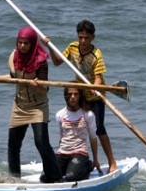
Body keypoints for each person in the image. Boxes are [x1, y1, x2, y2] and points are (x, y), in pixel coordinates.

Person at [0, 27, 62, 183]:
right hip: (19, 106)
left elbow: (45, 88)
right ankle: (14, 179)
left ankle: (55, 176)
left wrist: (38, 85)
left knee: (41, 142)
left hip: (38, 106)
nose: (22, 46)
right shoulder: (14, 57)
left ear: (32, 44)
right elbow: (13, 76)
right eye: (20, 43)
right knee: (13, 144)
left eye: (26, 43)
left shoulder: (41, 62)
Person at [41, 20, 118, 173]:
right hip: (80, 93)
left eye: (86, 38)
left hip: (96, 95)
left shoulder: (96, 54)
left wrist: (95, 88)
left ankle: (112, 162)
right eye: (80, 37)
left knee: (98, 129)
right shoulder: (72, 47)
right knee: (74, 124)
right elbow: (57, 62)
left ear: (93, 38)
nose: (83, 41)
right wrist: (49, 45)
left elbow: (97, 77)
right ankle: (76, 160)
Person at [55, 86, 102, 181]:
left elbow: (93, 138)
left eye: (75, 94)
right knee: (45, 177)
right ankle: (68, 167)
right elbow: (61, 136)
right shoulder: (60, 114)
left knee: (71, 177)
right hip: (63, 152)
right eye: (70, 94)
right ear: (66, 96)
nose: (72, 97)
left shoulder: (88, 115)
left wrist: (95, 160)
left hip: (80, 152)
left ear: (80, 96)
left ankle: (87, 166)